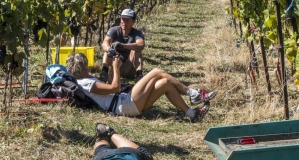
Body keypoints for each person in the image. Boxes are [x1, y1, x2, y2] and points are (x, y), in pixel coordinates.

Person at [66, 53, 215, 122]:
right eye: (87, 67)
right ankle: (193, 94)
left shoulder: (85, 80)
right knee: (157, 72)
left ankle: (192, 114)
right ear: (83, 68)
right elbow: (115, 89)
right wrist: (116, 68)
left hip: (126, 102)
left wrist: (112, 75)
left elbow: (108, 88)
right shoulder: (85, 83)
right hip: (125, 105)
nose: (89, 68)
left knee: (165, 84)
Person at [100, 9, 145, 83]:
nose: (124, 22)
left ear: (133, 22)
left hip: (129, 67)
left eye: (127, 20)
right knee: (107, 51)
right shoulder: (114, 30)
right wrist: (109, 49)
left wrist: (123, 45)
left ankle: (139, 75)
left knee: (137, 51)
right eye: (123, 19)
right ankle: (104, 73)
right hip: (115, 64)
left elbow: (141, 45)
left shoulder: (137, 33)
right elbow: (105, 43)